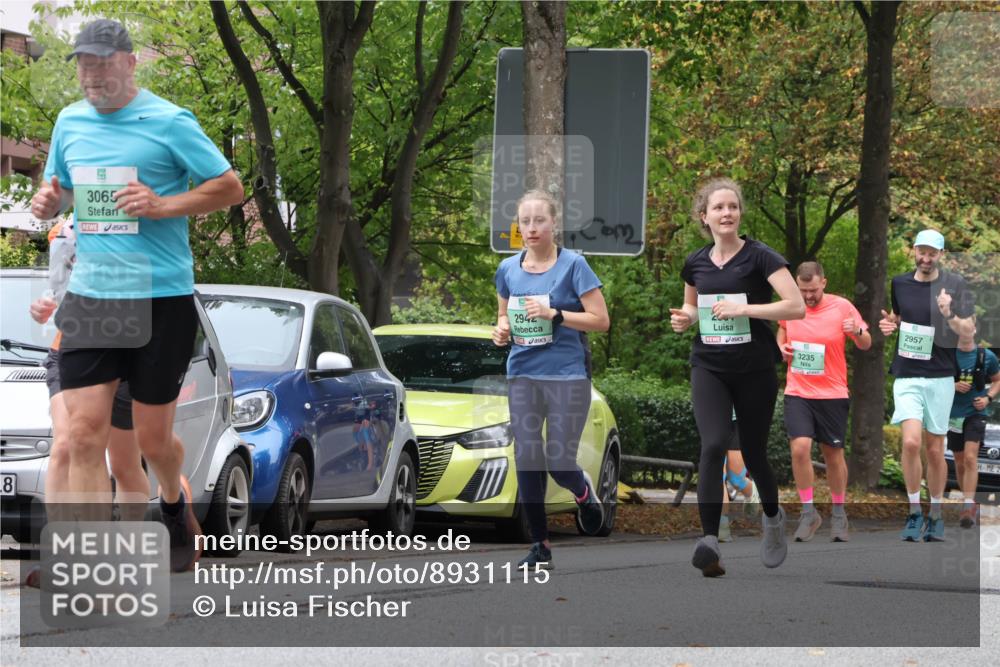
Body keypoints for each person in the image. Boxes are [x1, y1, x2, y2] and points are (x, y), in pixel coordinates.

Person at [29, 19, 244, 572]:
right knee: (81, 433)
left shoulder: (170, 122)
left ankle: (172, 499)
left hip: (159, 296)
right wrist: (50, 202)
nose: (92, 74)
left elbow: (229, 187)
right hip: (95, 295)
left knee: (153, 441)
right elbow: (62, 190)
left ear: (130, 63)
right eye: (84, 63)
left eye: (103, 62)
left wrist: (161, 204)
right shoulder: (69, 122)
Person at [670, 177, 805, 577]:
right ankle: (709, 541)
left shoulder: (762, 257)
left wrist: (746, 310)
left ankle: (773, 517)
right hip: (709, 365)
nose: (726, 213)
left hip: (754, 368)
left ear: (739, 213)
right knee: (712, 444)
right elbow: (693, 307)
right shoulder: (695, 262)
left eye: (732, 206)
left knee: (755, 454)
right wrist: (685, 319)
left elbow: (795, 306)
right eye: (718, 208)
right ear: (704, 217)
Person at [492, 189, 610, 569]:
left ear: (554, 223)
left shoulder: (574, 265)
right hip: (522, 373)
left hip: (566, 375)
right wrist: (501, 330)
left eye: (539, 220)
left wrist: (555, 313)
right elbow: (503, 316)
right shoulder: (508, 269)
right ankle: (540, 544)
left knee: (558, 460)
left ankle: (582, 493)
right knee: (527, 455)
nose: (531, 228)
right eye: (524, 221)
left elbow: (601, 321)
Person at [878, 229, 975, 542]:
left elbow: (968, 330)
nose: (926, 258)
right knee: (910, 443)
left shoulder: (955, 285)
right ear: (914, 251)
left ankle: (935, 514)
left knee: (935, 450)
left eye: (932, 253)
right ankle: (913, 510)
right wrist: (890, 325)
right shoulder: (899, 283)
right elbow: (898, 316)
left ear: (941, 255)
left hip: (940, 376)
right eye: (922, 251)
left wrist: (948, 314)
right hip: (907, 373)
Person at [776, 261, 872, 542]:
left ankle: (839, 513)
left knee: (833, 455)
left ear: (824, 283)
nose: (807, 296)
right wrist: (781, 346)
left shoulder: (842, 307)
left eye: (813, 290)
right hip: (798, 390)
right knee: (800, 448)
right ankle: (808, 513)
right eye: (803, 290)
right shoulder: (790, 304)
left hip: (832, 393)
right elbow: (782, 329)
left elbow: (866, 343)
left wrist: (857, 330)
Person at [948, 317, 999, 528]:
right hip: (952, 414)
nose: (966, 331)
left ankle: (968, 506)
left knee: (970, 458)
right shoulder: (948, 355)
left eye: (970, 327)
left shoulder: (986, 356)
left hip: (976, 414)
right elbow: (933, 380)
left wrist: (988, 397)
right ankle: (967, 500)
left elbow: (997, 380)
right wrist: (952, 385)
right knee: (959, 461)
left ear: (975, 330)